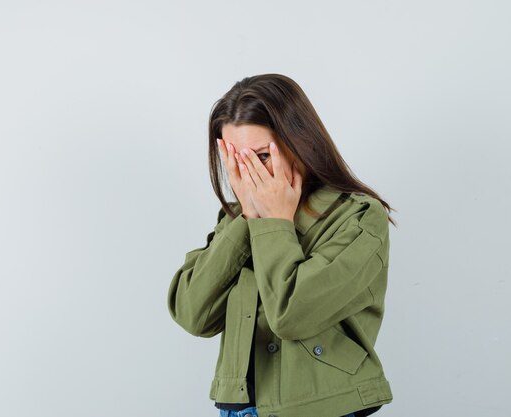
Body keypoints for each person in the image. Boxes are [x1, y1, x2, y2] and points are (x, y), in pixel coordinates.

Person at [167, 74, 396, 417]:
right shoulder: (237, 219)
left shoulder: (357, 216)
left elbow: (293, 314)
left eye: (260, 156)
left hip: (322, 408)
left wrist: (274, 223)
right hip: (237, 407)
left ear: (299, 142)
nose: (249, 174)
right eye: (236, 159)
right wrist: (247, 220)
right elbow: (191, 313)